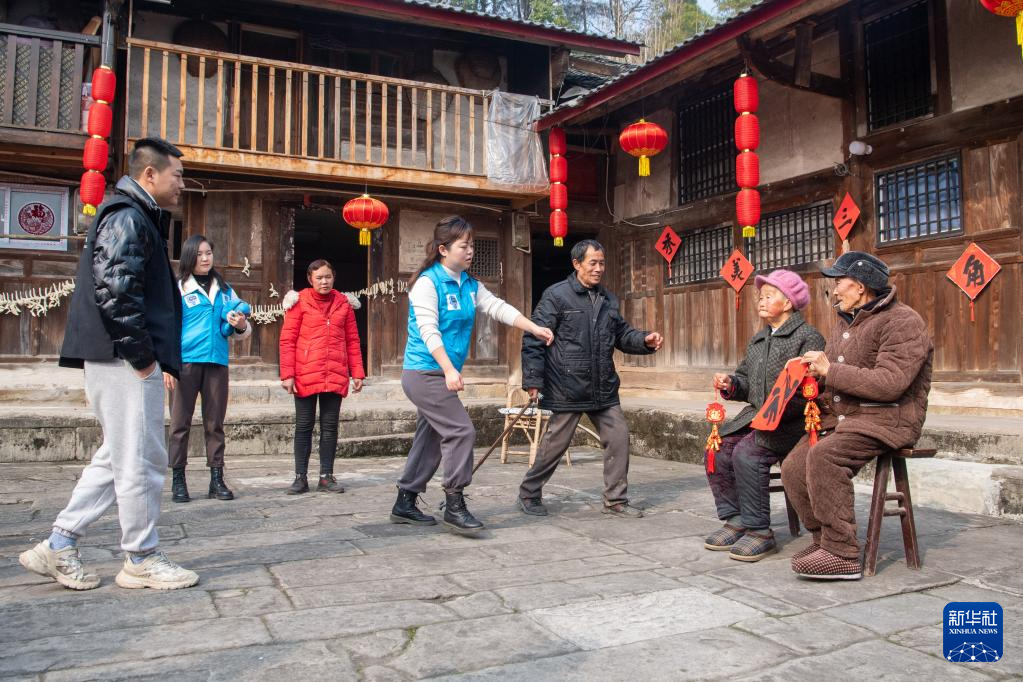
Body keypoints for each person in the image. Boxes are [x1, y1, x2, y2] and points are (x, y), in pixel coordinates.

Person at [19, 137, 199, 590]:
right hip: (124, 359)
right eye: (177, 175)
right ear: (150, 175)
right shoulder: (127, 216)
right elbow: (115, 291)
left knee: (117, 456)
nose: (182, 184)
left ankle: (59, 542)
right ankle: (141, 556)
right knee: (140, 460)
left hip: (122, 357)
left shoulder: (137, 215)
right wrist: (142, 358)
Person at [390, 216, 554, 536]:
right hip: (424, 372)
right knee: (461, 431)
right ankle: (454, 504)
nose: (470, 251)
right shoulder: (428, 283)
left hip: (441, 373)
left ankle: (405, 502)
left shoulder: (469, 284)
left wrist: (533, 327)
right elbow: (428, 330)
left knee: (431, 437)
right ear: (443, 249)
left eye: (472, 245)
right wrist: (449, 369)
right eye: (463, 246)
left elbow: (497, 307)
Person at [781, 252, 933, 580]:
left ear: (860, 287)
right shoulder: (846, 322)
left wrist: (830, 370)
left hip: (887, 418)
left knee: (825, 457)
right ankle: (823, 539)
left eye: (839, 283)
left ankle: (842, 551)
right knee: (793, 466)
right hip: (847, 417)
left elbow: (890, 383)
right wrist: (812, 376)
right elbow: (837, 377)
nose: (835, 290)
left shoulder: (903, 322)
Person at [518, 239, 663, 518]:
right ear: (576, 264)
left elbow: (621, 335)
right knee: (555, 445)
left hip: (602, 385)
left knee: (619, 437)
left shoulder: (608, 299)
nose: (598, 269)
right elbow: (534, 338)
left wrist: (644, 340)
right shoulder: (556, 296)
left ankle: (615, 500)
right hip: (567, 384)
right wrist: (533, 381)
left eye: (602, 263)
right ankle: (529, 492)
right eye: (592, 263)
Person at [705, 270, 825, 561]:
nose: (761, 301)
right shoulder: (758, 340)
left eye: (769, 296)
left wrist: (775, 412)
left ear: (788, 303)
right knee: (718, 449)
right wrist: (731, 384)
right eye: (760, 296)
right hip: (757, 417)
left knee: (747, 453)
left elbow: (811, 388)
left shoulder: (808, 337)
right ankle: (736, 518)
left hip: (791, 421)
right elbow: (746, 381)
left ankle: (760, 531)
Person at [167, 234, 251, 503]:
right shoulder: (179, 288)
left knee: (215, 423)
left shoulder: (225, 289)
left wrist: (241, 325)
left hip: (216, 362)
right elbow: (168, 328)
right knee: (179, 423)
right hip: (185, 362)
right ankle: (178, 480)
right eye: (199, 254)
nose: (205, 258)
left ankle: (217, 479)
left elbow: (241, 326)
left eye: (209, 253)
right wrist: (167, 366)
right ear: (189, 257)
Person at [279, 259, 365, 494]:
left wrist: (357, 372)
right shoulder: (299, 302)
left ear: (334, 277)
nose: (324, 282)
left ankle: (326, 476)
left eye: (328, 277)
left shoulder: (344, 304)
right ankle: (300, 478)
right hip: (305, 372)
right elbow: (287, 340)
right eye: (319, 278)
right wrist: (287, 374)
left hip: (335, 372)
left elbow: (352, 340)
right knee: (303, 425)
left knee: (330, 427)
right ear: (310, 279)